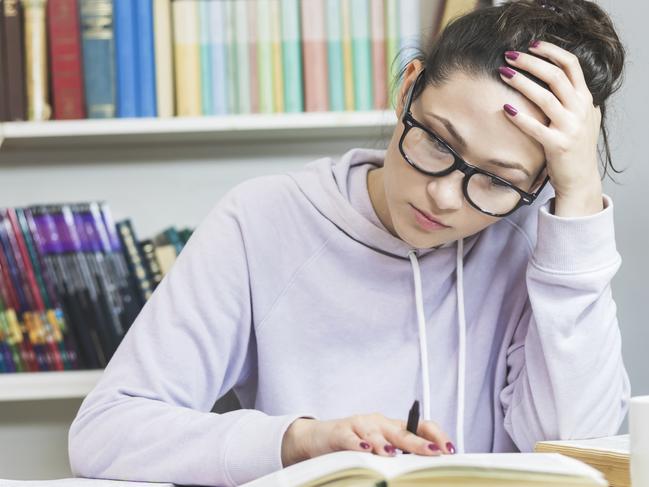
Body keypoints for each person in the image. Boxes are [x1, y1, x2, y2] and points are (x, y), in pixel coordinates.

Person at [68, 0, 631, 485]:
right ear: (409, 88)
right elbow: (105, 432)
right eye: (438, 141)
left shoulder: (536, 247)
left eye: (497, 180)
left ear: (536, 185)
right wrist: (300, 442)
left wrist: (578, 204)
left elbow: (579, 452)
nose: (444, 196)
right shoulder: (263, 220)